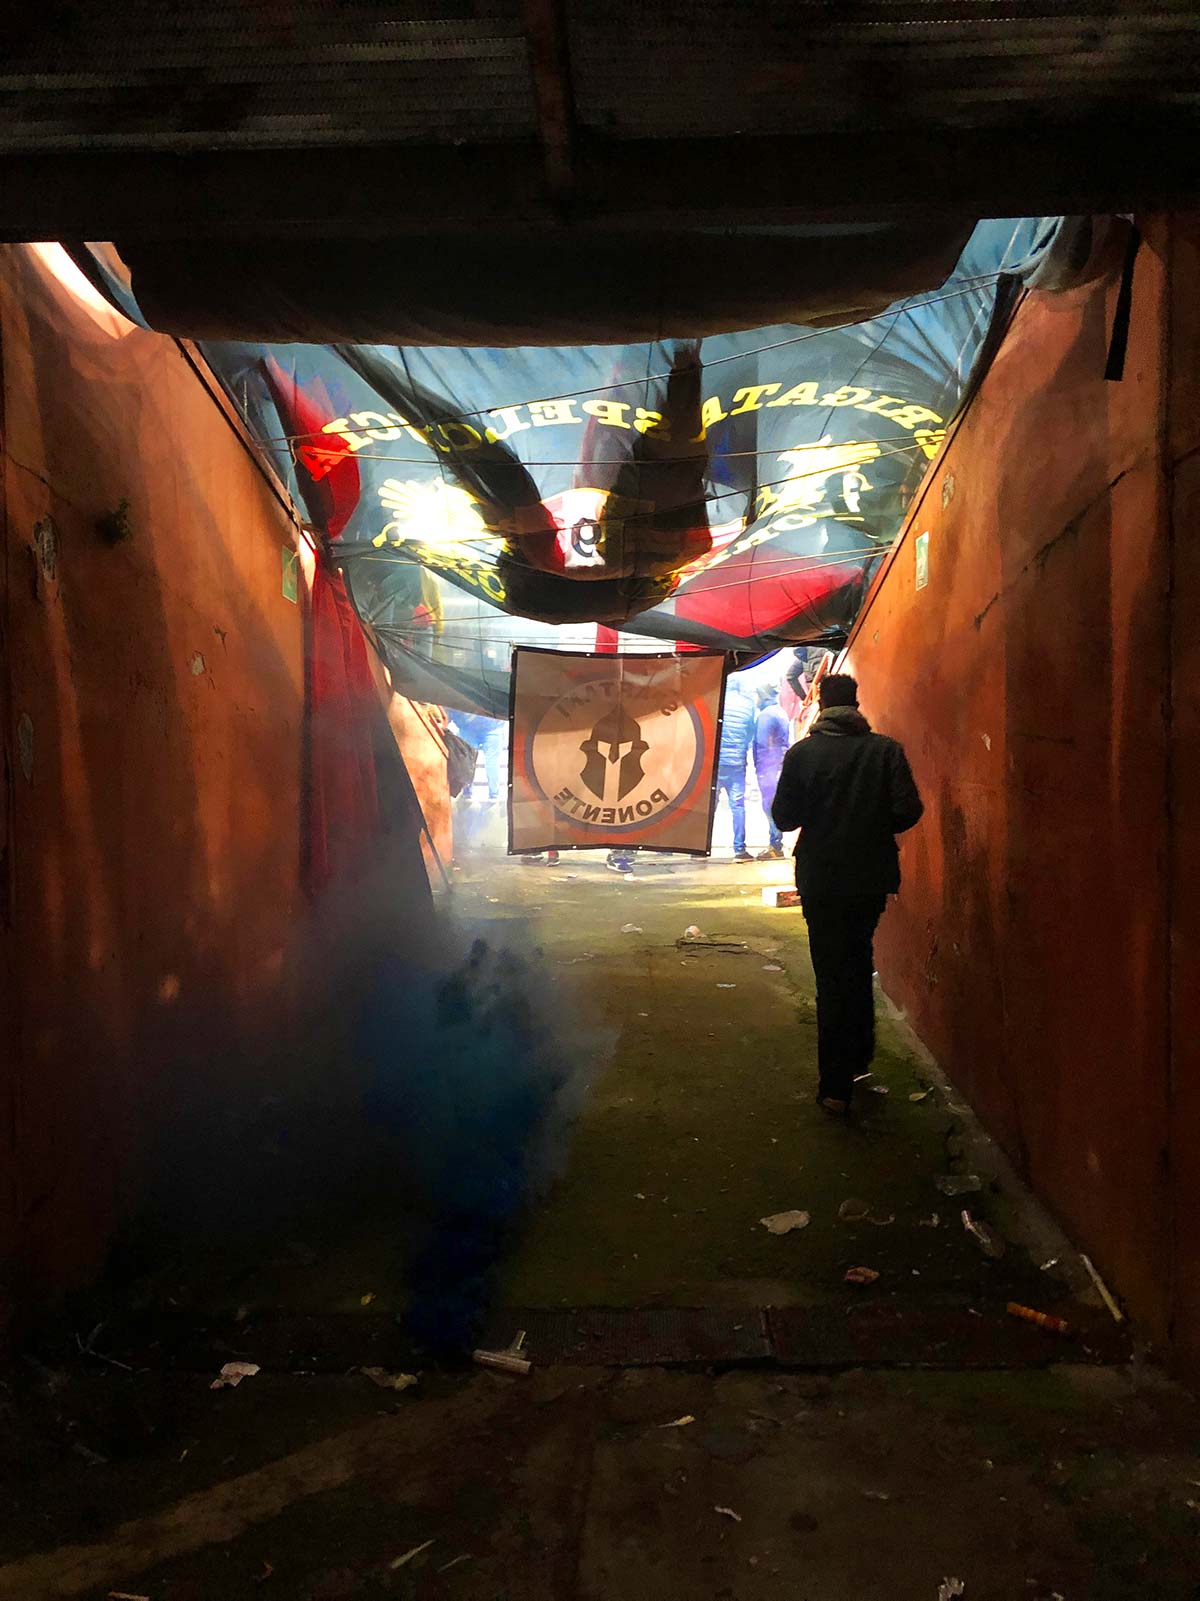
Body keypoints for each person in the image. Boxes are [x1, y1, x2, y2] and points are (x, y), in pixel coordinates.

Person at [771, 673, 923, 1115]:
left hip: (820, 877)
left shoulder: (803, 754)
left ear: (820, 705)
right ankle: (858, 1062)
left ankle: (835, 1085)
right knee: (858, 960)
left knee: (829, 972)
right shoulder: (886, 751)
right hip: (869, 876)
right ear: (856, 705)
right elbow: (908, 809)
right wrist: (871, 828)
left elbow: (783, 818)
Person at [717, 679, 757, 862]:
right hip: (737, 763)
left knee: (709, 806)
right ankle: (739, 850)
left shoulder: (718, 700)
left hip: (716, 763)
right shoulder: (747, 704)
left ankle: (698, 849)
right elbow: (751, 732)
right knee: (738, 806)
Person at [753, 684, 789, 859]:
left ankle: (775, 845)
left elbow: (762, 744)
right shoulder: (780, 711)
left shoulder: (766, 716)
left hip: (769, 767)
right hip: (780, 765)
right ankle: (776, 844)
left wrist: (760, 768)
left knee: (769, 806)